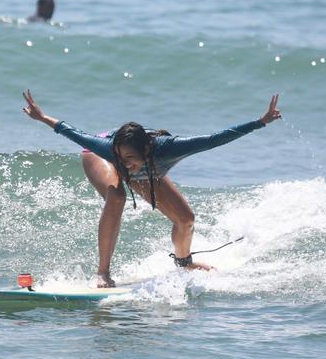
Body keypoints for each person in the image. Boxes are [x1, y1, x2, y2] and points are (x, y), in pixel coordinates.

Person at [21, 90, 282, 287]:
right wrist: (42, 117)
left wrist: (260, 122)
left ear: (147, 151)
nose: (126, 166)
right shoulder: (109, 151)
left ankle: (184, 263)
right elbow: (72, 132)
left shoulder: (169, 148)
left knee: (186, 219)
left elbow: (214, 139)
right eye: (123, 160)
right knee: (117, 195)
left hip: (144, 163)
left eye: (130, 160)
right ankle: (103, 272)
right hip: (99, 154)